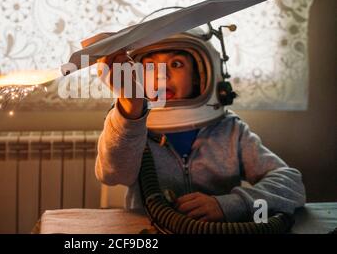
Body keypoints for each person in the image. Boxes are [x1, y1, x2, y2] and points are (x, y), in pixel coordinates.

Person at [95, 31, 306, 223]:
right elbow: (112, 175)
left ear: (199, 77)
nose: (162, 75)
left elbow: (291, 184)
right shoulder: (131, 128)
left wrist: (229, 204)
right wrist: (130, 107)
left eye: (176, 64)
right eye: (151, 66)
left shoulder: (231, 131)